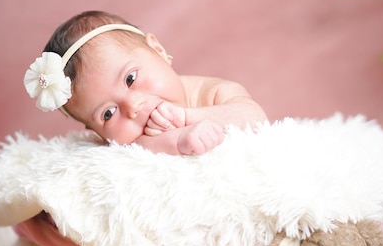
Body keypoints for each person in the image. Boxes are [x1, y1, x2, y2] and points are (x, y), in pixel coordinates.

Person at [24, 10, 267, 155]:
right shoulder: (133, 145)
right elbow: (140, 148)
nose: (132, 107)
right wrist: (178, 140)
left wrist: (186, 119)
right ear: (96, 133)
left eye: (130, 79)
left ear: (158, 50)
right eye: (108, 113)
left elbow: (255, 117)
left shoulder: (213, 92)